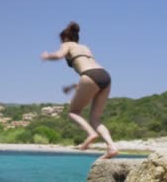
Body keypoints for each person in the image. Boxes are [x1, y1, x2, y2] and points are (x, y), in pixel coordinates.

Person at [40, 21, 119, 159]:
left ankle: (91, 134)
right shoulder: (85, 47)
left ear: (65, 38)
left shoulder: (67, 44)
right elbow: (91, 75)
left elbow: (59, 56)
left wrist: (47, 56)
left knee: (73, 112)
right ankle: (112, 147)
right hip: (105, 76)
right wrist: (72, 87)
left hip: (90, 76)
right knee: (95, 118)